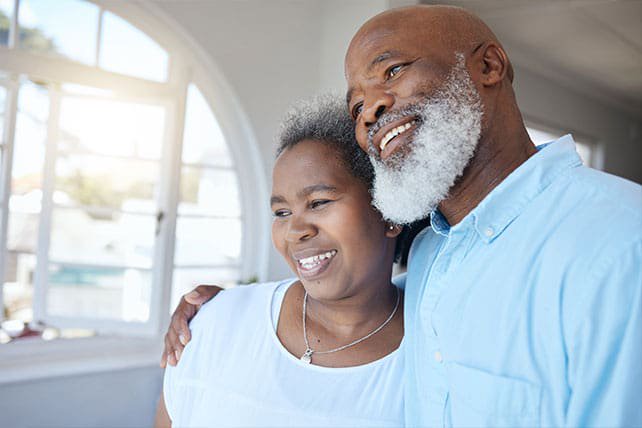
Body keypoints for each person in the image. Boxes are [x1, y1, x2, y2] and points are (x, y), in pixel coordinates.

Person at [163, 5, 642, 426]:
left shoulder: (620, 242)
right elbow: (356, 295)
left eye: (391, 71)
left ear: (488, 65)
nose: (370, 110)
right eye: (356, 105)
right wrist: (228, 313)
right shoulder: (434, 254)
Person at [156, 95, 408, 427]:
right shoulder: (215, 324)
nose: (295, 231)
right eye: (282, 212)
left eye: (318, 202)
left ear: (389, 211)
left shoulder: (432, 352)